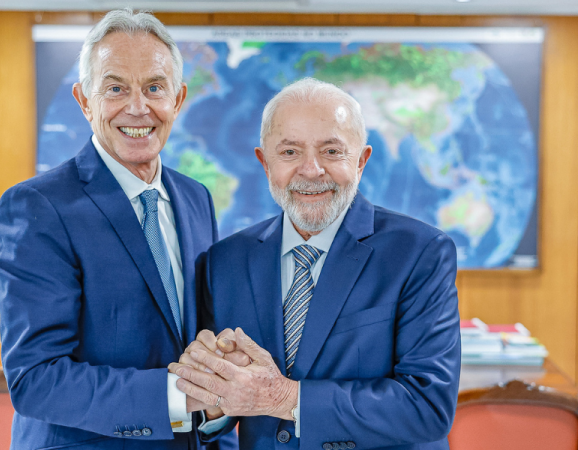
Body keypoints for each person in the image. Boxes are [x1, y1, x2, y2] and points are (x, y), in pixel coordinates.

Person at [0, 9, 236, 450]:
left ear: (178, 100)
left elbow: (205, 341)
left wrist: (217, 415)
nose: (138, 107)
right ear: (84, 101)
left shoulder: (196, 198)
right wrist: (181, 398)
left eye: (154, 88)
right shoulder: (37, 207)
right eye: (115, 88)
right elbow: (36, 379)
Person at [170, 78, 461, 450]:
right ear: (265, 162)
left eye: (331, 151)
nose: (311, 170)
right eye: (289, 152)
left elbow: (427, 407)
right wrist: (215, 401)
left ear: (361, 161)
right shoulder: (225, 261)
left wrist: (283, 398)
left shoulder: (420, 253)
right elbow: (219, 415)